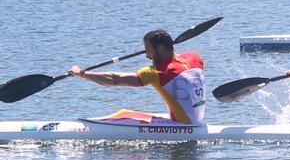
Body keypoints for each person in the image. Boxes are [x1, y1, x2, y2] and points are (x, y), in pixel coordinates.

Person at [67, 29, 207, 125]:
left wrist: (82, 74)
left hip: (181, 126)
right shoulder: (195, 57)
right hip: (198, 121)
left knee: (121, 119)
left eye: (148, 50)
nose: (147, 55)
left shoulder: (157, 73)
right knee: (125, 113)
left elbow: (115, 79)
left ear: (160, 49)